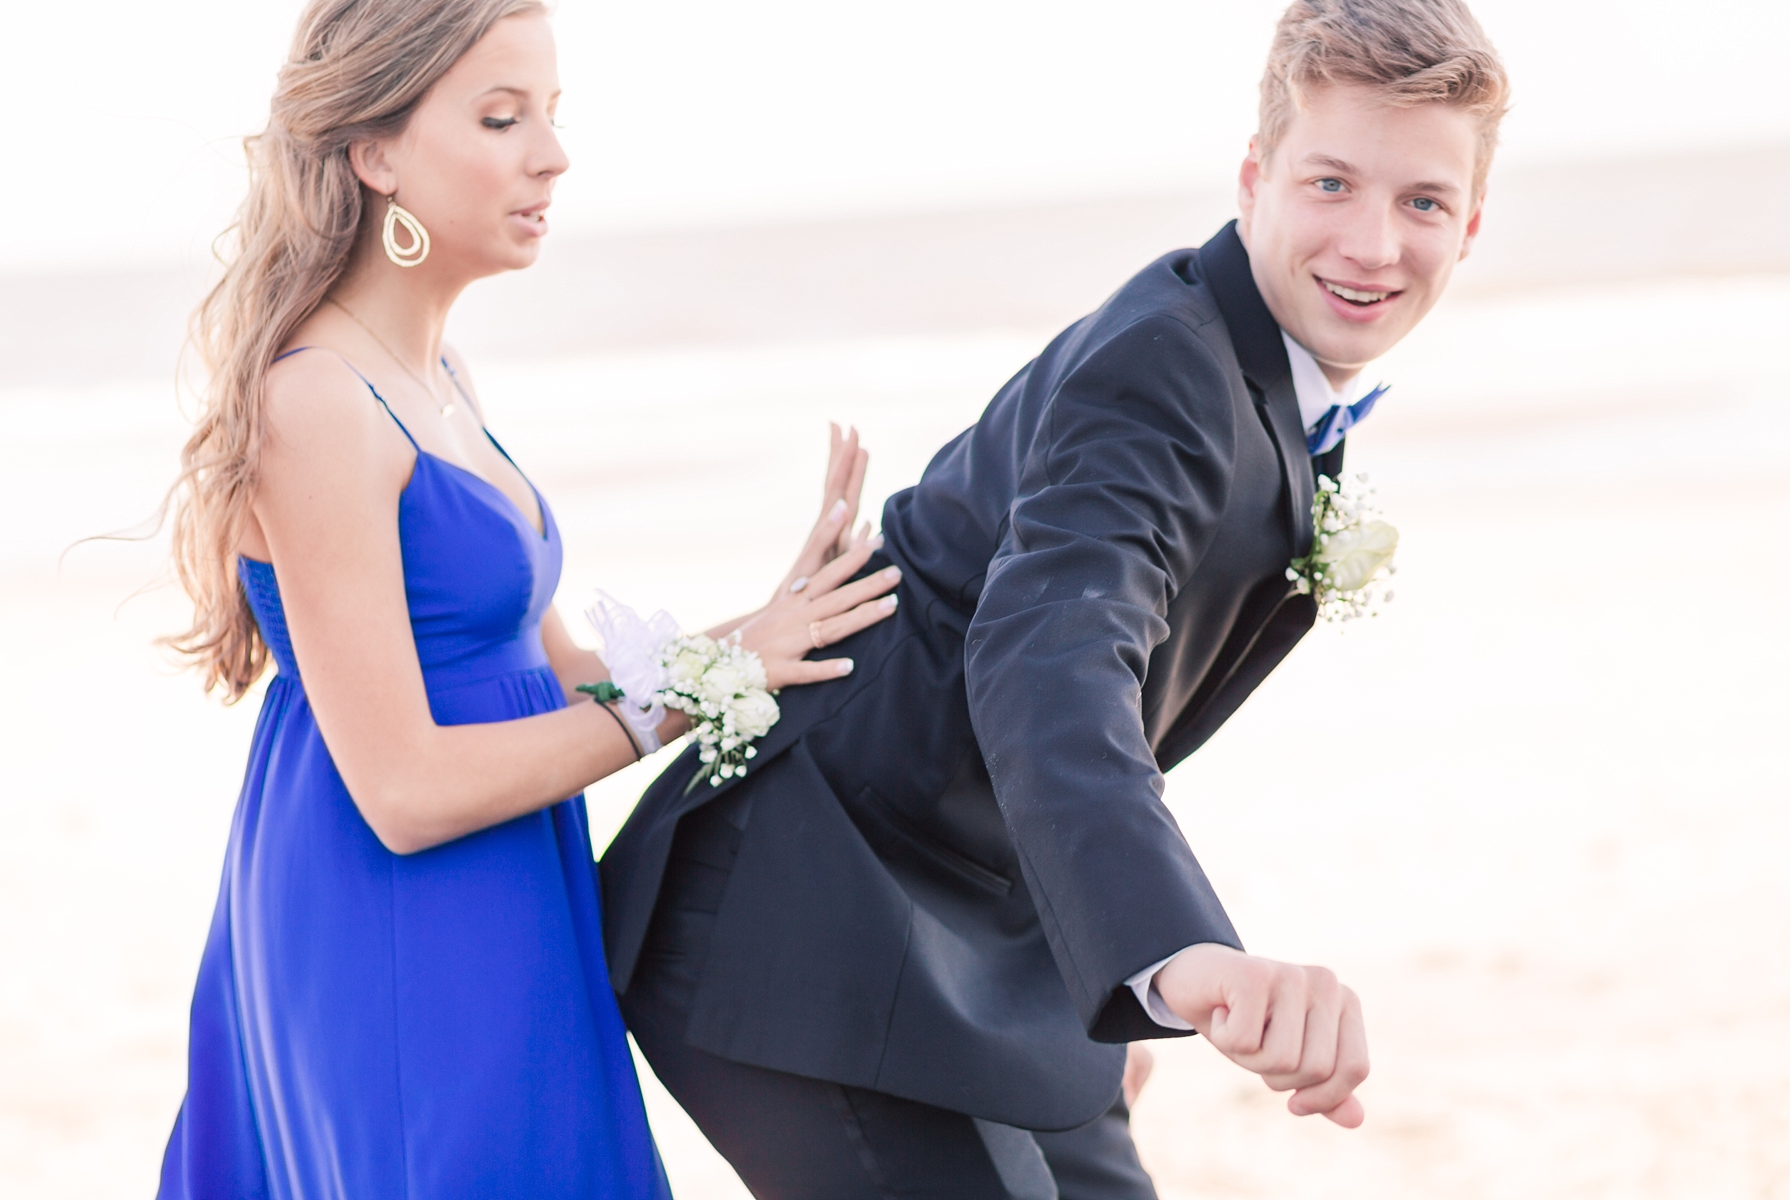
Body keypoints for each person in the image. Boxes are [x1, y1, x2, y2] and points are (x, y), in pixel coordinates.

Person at [599, 1, 1510, 1196]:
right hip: (803, 928)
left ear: (1471, 226)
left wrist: (1100, 971)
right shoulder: (1167, 367)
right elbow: (1052, 662)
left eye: (1422, 203)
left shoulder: (1259, 373)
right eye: (1331, 183)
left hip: (982, 939)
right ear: (1255, 179)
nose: (1374, 244)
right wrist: (1172, 952)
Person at [153, 2, 899, 1197]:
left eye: (552, 115)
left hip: (510, 897)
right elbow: (401, 792)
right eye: (502, 117)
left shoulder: (437, 374)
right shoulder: (320, 404)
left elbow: (555, 674)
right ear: (375, 151)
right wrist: (697, 698)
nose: (551, 154)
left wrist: (761, 631)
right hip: (401, 924)